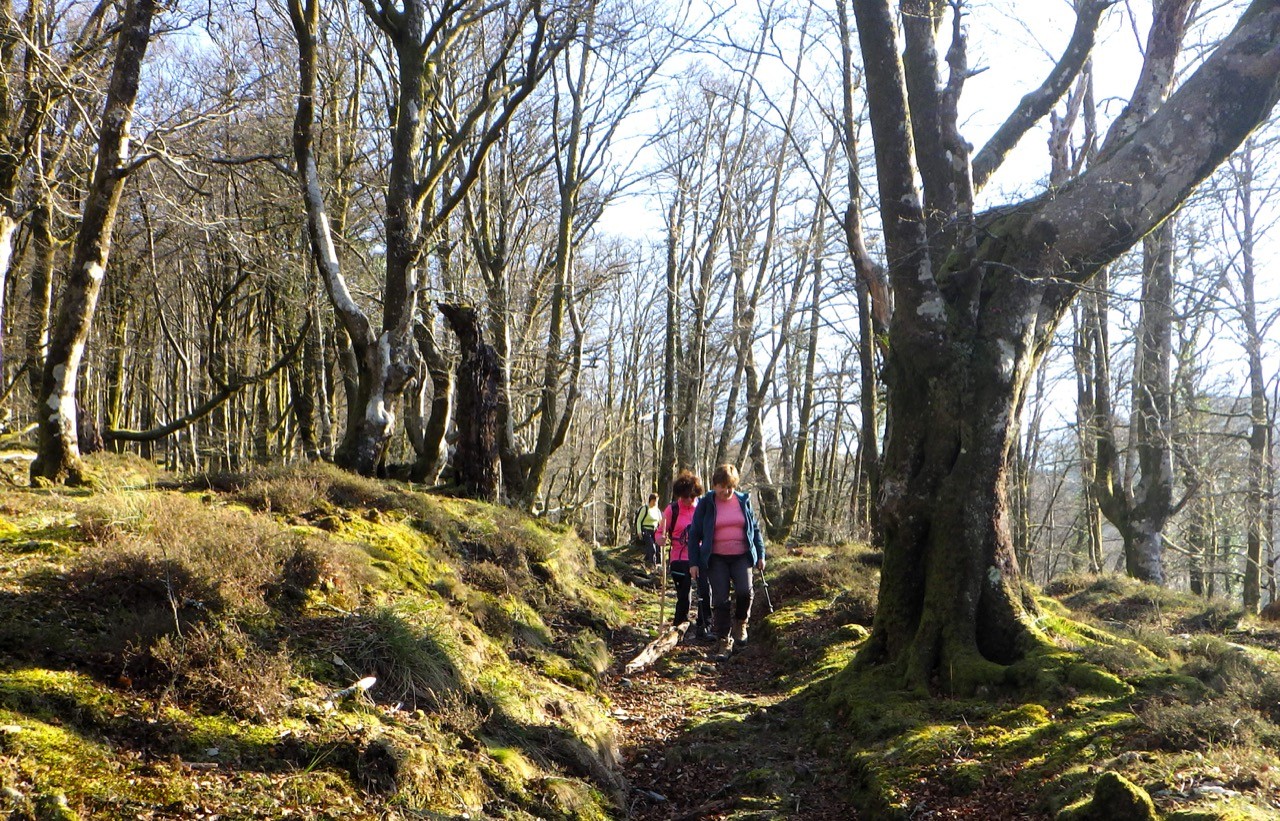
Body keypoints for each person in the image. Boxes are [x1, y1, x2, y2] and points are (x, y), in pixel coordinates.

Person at [689, 464, 766, 660]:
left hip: (741, 555)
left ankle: (741, 622)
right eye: (722, 486)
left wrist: (761, 554)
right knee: (720, 599)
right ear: (714, 485)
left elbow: (754, 529)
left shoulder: (743, 501)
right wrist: (694, 562)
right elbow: (695, 534)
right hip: (716, 558)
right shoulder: (707, 503)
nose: (727, 491)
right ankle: (724, 641)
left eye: (730, 486)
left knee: (744, 590)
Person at [657, 470, 713, 640]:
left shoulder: (702, 508)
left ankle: (705, 626)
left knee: (704, 590)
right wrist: (661, 538)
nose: (688, 500)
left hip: (700, 557)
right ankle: (679, 626)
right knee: (683, 593)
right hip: (678, 558)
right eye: (684, 496)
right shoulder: (672, 509)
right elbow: (659, 532)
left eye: (691, 496)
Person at [634, 492, 662, 569]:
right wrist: (639, 531)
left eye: (657, 501)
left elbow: (660, 521)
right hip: (646, 530)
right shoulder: (645, 509)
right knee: (652, 547)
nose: (656, 503)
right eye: (655, 501)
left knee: (658, 548)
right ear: (651, 500)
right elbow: (639, 521)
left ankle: (658, 565)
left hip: (655, 531)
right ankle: (652, 565)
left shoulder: (657, 511)